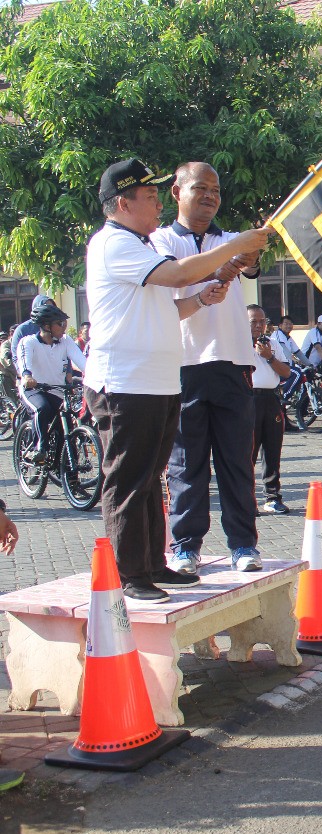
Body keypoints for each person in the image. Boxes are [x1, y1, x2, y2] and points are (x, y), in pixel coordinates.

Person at [85, 157, 270, 601]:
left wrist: (202, 300)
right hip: (125, 383)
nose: (156, 205)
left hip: (157, 382)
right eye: (150, 196)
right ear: (123, 203)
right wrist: (236, 245)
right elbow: (180, 274)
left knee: (150, 479)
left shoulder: (140, 245)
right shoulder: (115, 243)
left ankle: (153, 564)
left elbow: (169, 308)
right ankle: (130, 575)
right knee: (129, 481)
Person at [152, 162, 265, 575]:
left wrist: (251, 248)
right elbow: (176, 277)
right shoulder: (160, 240)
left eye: (216, 190)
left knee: (237, 461)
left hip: (233, 363)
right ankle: (185, 547)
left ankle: (243, 545)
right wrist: (219, 269)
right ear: (176, 192)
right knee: (186, 464)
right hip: (183, 364)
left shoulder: (231, 239)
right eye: (201, 188)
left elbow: (250, 260)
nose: (210, 196)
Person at [17, 302, 85, 464]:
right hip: (34, 390)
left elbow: (83, 363)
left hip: (57, 391)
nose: (64, 327)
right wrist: (27, 377)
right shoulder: (28, 342)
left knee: (66, 426)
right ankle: (39, 449)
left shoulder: (65, 341)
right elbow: (24, 365)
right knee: (42, 408)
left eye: (65, 323)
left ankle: (66, 470)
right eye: (60, 324)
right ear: (47, 326)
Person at [247, 304, 291, 515]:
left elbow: (286, 372)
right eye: (253, 322)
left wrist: (269, 357)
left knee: (272, 449)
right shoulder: (236, 343)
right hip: (248, 399)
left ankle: (273, 497)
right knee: (248, 451)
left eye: (262, 321)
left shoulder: (272, 344)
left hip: (271, 399)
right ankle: (247, 499)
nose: (259, 325)